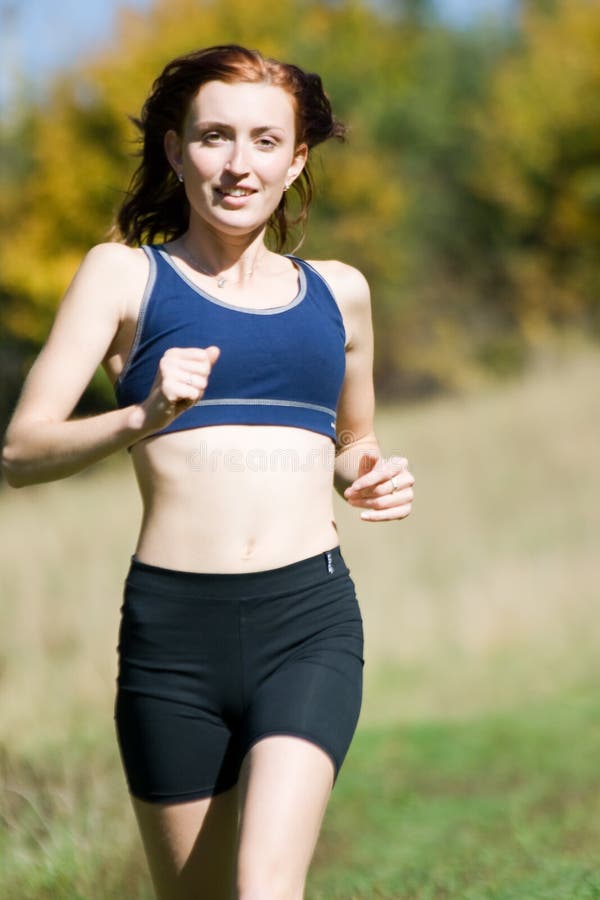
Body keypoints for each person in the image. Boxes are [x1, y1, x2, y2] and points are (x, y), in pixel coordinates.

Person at [2, 44, 414, 900]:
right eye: (214, 137)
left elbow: (352, 439)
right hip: (172, 639)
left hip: (308, 620)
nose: (238, 164)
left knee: (266, 886)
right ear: (174, 149)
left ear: (297, 157)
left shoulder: (339, 293)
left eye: (266, 142)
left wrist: (368, 472)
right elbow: (22, 452)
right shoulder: (123, 275)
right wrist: (138, 416)